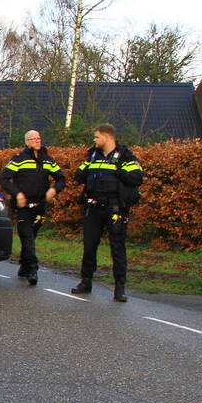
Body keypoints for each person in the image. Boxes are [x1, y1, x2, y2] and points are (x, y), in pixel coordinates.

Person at [71, 123, 144, 302]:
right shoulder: (93, 155)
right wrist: (87, 168)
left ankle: (119, 287)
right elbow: (78, 175)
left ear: (107, 137)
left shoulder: (125, 156)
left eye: (96, 137)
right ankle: (86, 281)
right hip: (93, 208)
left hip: (115, 208)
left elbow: (137, 177)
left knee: (117, 248)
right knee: (89, 246)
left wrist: (117, 169)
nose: (94, 140)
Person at [0, 130, 66, 286]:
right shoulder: (19, 159)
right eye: (33, 139)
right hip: (23, 207)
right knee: (27, 237)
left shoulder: (47, 160)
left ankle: (24, 265)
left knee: (31, 237)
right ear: (26, 142)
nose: (37, 141)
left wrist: (54, 190)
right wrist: (17, 193)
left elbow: (61, 178)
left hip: (40, 206)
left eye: (39, 138)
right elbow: (3, 178)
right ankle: (33, 270)